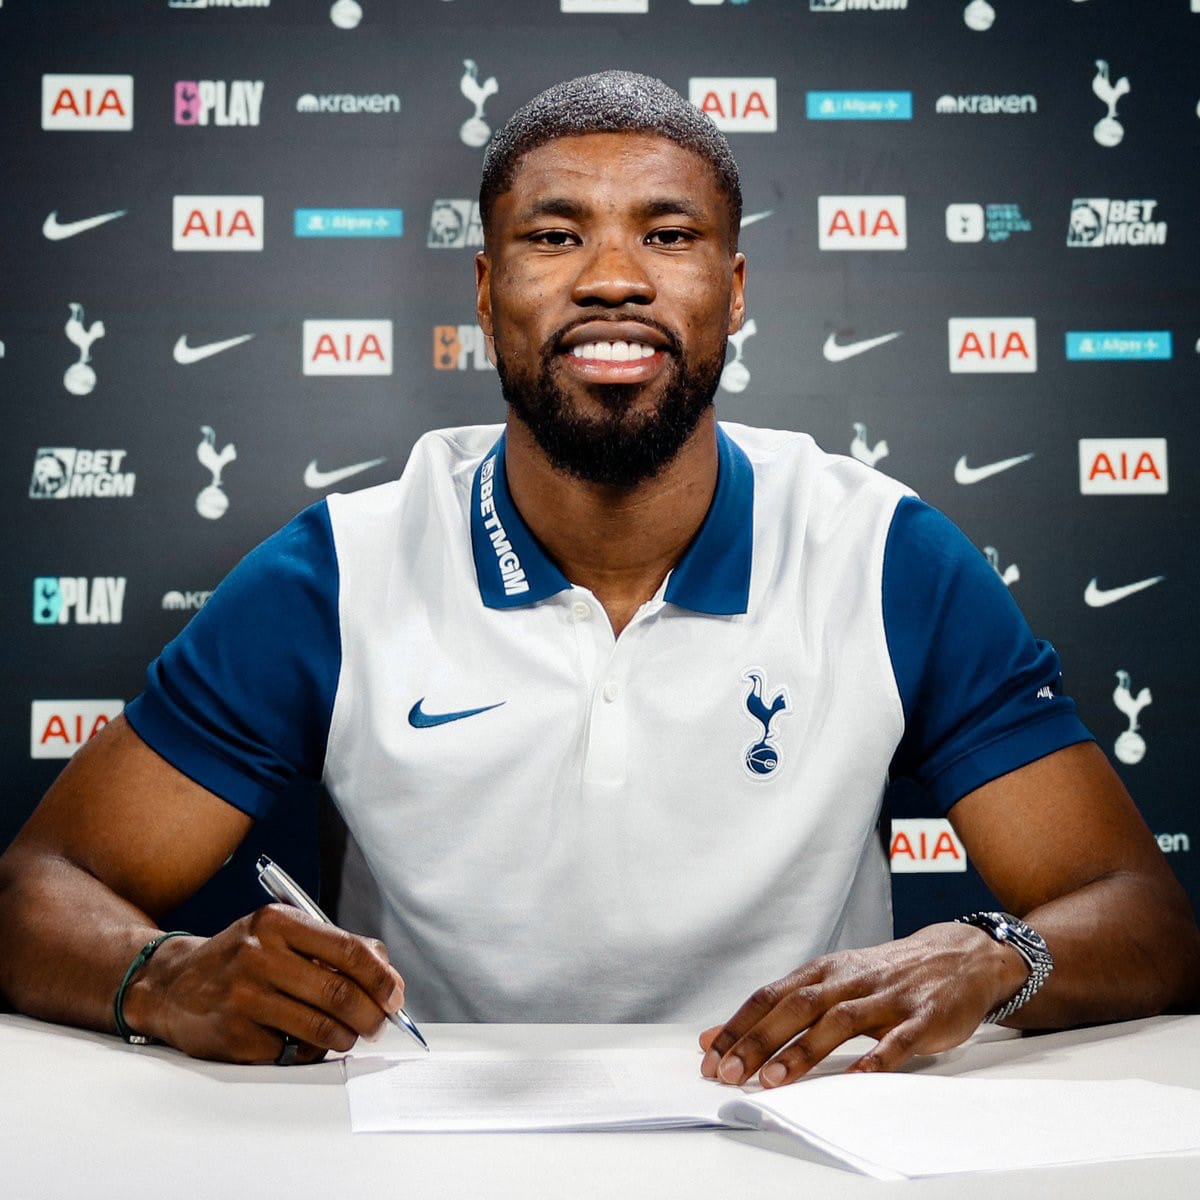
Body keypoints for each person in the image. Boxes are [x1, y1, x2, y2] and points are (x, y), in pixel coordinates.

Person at [1, 72, 1197, 1087]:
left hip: (799, 1144)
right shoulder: (340, 572)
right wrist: (162, 979)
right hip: (432, 1155)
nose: (614, 277)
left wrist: (995, 953)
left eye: (667, 236)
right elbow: (37, 887)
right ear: (483, 292)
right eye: (556, 233)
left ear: (733, 290)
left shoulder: (882, 554)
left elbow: (1141, 913)